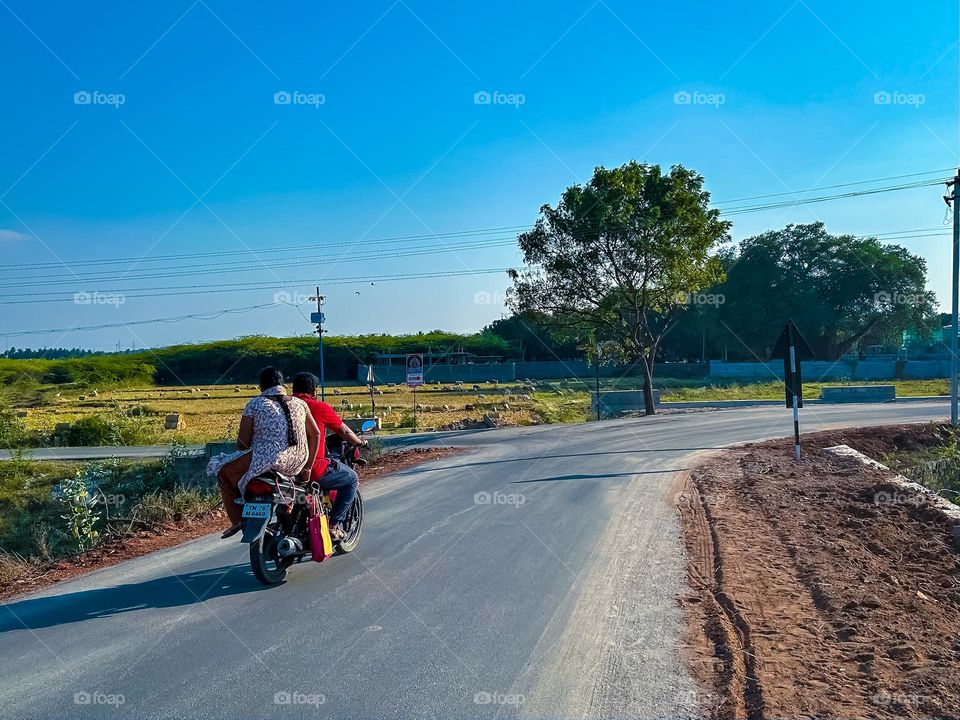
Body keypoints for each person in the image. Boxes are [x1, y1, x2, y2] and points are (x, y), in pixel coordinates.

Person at [217, 367, 320, 539]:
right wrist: (308, 467)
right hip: (298, 461)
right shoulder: (300, 403)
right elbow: (315, 434)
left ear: (260, 387)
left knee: (223, 471)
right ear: (283, 385)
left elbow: (242, 443)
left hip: (268, 459)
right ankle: (287, 505)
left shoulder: (255, 404)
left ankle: (237, 520)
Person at [291, 372, 365, 540]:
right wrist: (359, 442)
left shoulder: (285, 406)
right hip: (312, 468)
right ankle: (333, 524)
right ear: (313, 391)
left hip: (285, 468)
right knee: (351, 479)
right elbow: (344, 431)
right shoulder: (318, 407)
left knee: (309, 492)